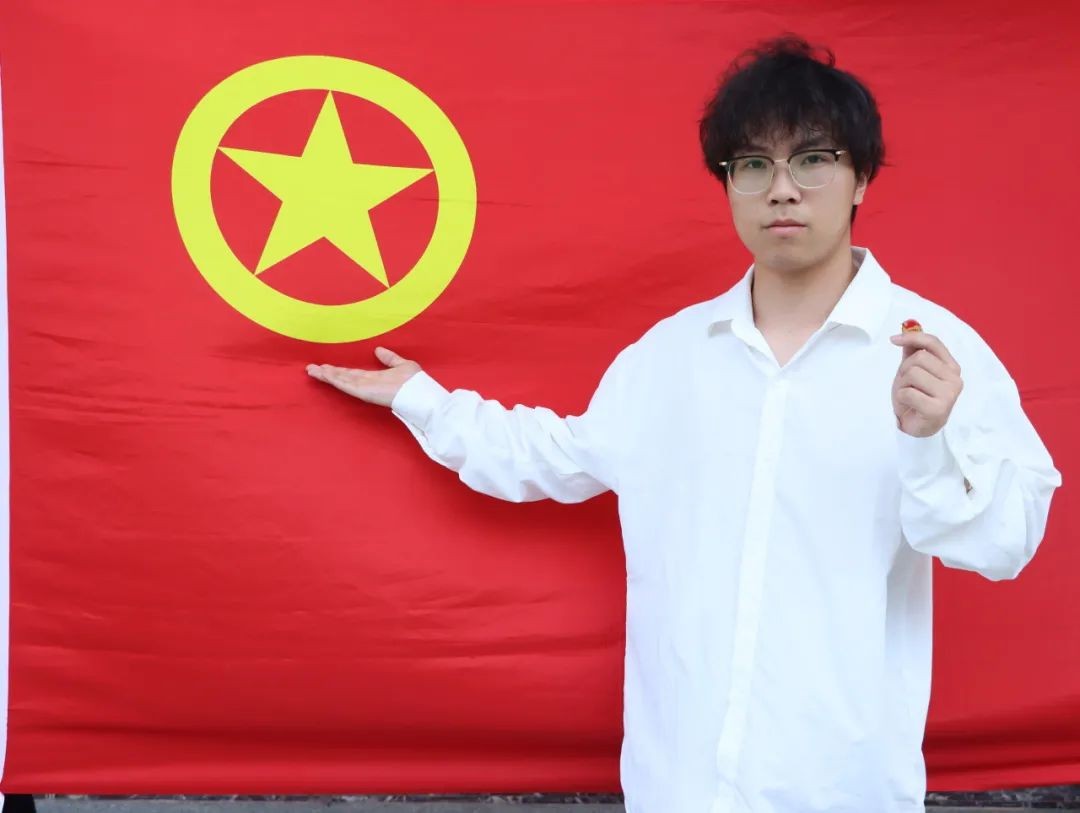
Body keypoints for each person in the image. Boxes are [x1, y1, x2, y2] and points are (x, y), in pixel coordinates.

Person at [305, 33, 1062, 813]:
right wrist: (423, 398)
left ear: (861, 176)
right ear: (728, 183)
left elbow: (1004, 544)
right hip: (678, 784)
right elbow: (556, 454)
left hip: (841, 786)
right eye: (753, 165)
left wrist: (927, 442)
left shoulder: (934, 351)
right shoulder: (672, 354)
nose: (783, 190)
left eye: (812, 160)